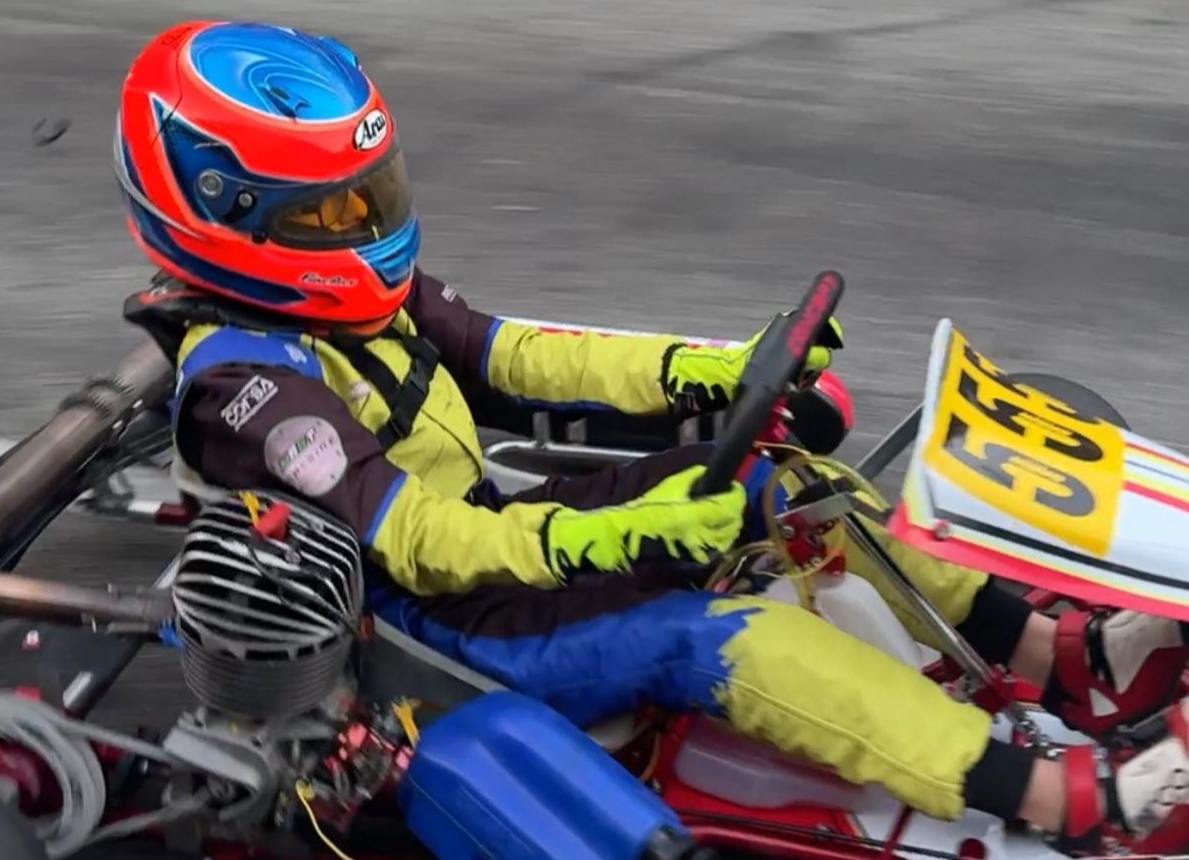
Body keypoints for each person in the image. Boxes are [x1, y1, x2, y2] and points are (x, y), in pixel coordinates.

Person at [116, 20, 1189, 855]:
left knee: (784, 481)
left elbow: (515, 353)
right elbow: (421, 540)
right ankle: (1068, 798)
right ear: (223, 213)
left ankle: (1060, 657)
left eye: (370, 195)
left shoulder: (352, 304)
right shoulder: (245, 389)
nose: (365, 225)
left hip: (499, 552)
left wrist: (710, 367)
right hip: (437, 636)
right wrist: (620, 532)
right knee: (724, 637)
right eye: (328, 213)